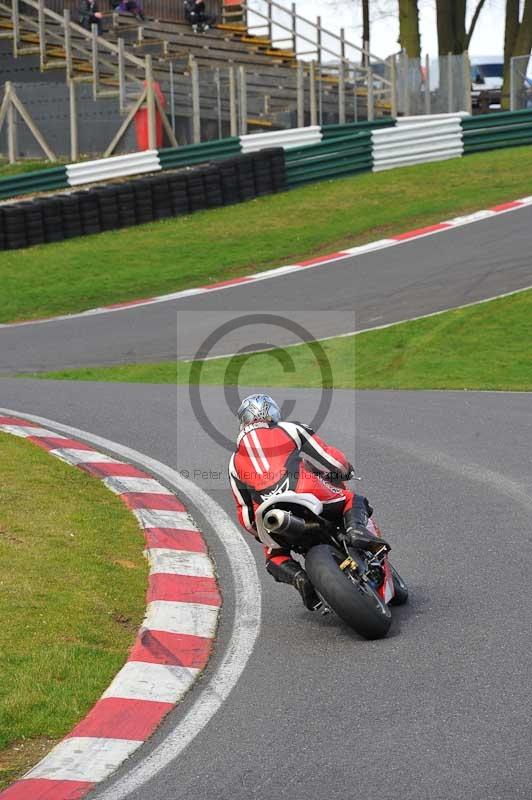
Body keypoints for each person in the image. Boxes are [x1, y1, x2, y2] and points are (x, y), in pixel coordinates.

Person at [229, 394, 387, 610]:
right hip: (304, 489)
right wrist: (345, 470)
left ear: (243, 421)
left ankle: (299, 578)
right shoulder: (290, 428)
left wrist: (262, 535)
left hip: (268, 515)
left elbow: (245, 514)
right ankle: (357, 530)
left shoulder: (234, 461)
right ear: (273, 413)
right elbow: (332, 460)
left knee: (273, 555)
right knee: (352, 498)